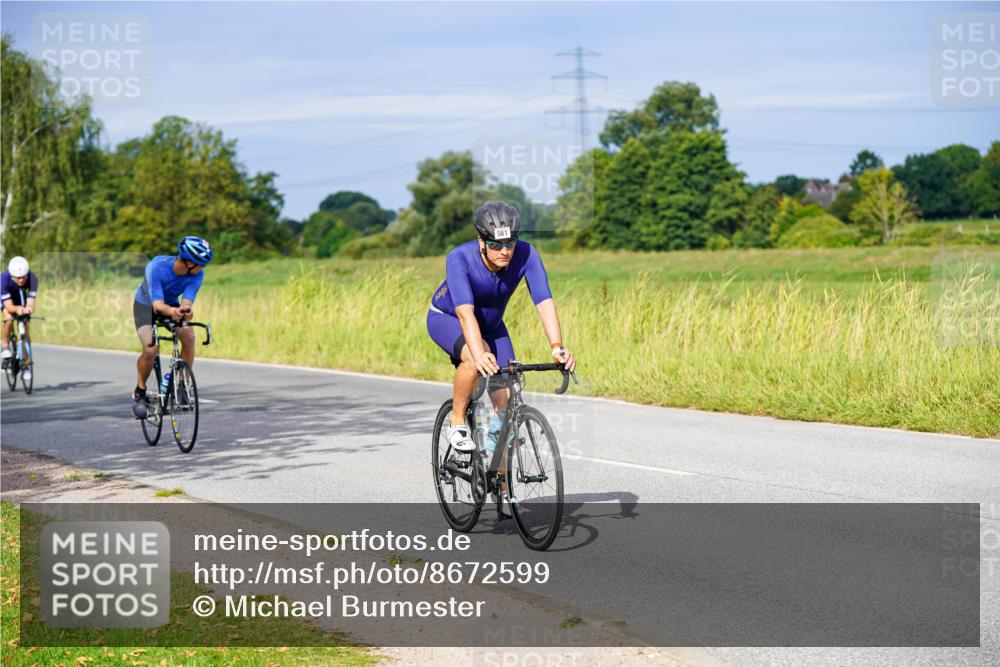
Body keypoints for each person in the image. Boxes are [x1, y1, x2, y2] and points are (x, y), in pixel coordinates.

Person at [426, 201, 576, 454]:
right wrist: (479, 353)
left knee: (506, 411)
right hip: (448, 319)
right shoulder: (460, 258)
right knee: (475, 359)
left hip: (493, 326)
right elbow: (465, 314)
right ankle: (457, 421)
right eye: (495, 244)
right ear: (481, 241)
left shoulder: (527, 254)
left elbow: (544, 300)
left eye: (510, 243)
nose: (504, 251)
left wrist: (557, 347)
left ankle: (501, 487)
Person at [132, 236, 213, 412]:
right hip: (146, 306)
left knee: (189, 336)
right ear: (189, 263)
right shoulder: (156, 267)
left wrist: (185, 312)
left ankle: (183, 386)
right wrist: (173, 312)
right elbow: (158, 306)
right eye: (201, 263)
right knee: (151, 349)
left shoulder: (197, 274)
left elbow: (187, 302)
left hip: (170, 304)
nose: (203, 268)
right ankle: (140, 391)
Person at [1, 256, 38, 382]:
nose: (21, 280)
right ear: (12, 276)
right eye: (18, 278)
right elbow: (9, 306)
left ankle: (25, 364)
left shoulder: (32, 279)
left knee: (25, 330)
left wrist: (29, 308)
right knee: (9, 318)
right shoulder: (4, 280)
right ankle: (5, 345)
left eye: (24, 277)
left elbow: (31, 302)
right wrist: (17, 309)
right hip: (7, 300)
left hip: (21, 298)